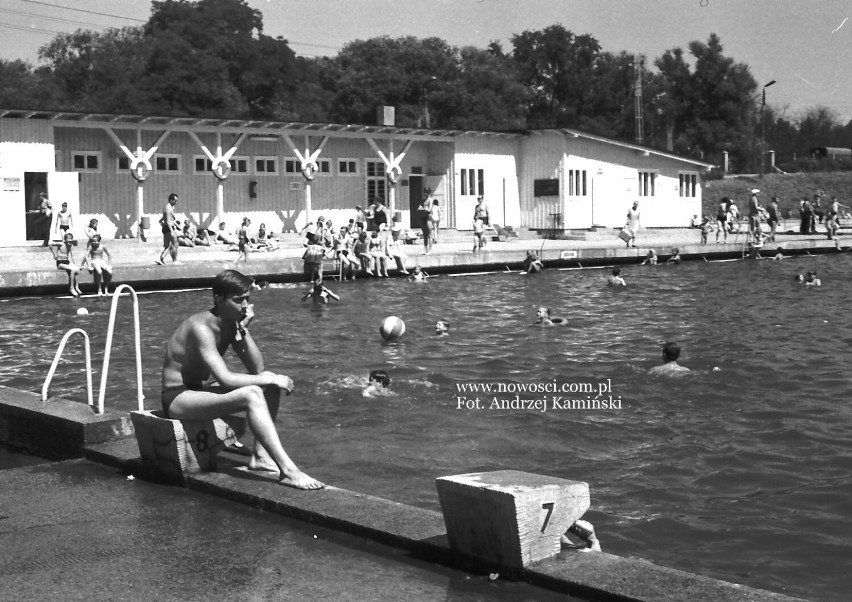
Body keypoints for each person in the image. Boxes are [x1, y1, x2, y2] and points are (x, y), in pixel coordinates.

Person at [161, 270, 323, 489]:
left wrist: (243, 330)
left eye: (248, 298)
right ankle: (289, 471)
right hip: (178, 397)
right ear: (219, 299)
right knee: (254, 391)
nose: (245, 305)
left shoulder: (230, 324)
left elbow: (257, 368)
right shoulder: (200, 327)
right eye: (238, 300)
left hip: (200, 390)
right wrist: (265, 380)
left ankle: (261, 457)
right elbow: (226, 379)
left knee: (268, 381)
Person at [50, 231, 82, 296]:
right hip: (60, 263)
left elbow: (70, 256)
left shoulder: (70, 245)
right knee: (72, 270)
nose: (70, 240)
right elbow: (50, 244)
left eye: (71, 239)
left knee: (77, 269)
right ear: (65, 239)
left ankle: (76, 286)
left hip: (66, 261)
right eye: (68, 239)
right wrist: (54, 253)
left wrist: (74, 264)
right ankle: (71, 288)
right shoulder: (61, 244)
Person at [156, 193, 181, 265]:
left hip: (166, 227)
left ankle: (158, 258)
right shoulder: (169, 208)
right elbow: (168, 220)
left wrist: (164, 224)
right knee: (175, 244)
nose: (176, 202)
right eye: (175, 201)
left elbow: (163, 219)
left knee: (166, 245)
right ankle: (175, 260)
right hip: (169, 228)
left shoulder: (167, 207)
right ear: (171, 200)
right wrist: (171, 230)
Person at [419, 190, 433, 254]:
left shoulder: (430, 200)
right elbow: (420, 207)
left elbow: (429, 210)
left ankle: (430, 250)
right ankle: (425, 249)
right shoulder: (424, 200)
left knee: (429, 235)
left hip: (428, 218)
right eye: (424, 192)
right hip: (423, 217)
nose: (425, 193)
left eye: (426, 192)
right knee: (425, 235)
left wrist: (423, 209)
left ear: (429, 193)